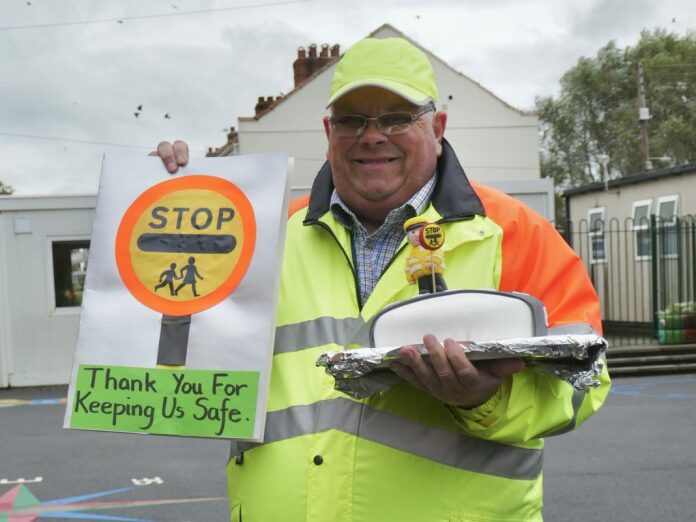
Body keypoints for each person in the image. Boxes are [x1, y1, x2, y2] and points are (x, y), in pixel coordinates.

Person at [154, 37, 610, 522]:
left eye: (397, 118)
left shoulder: (515, 234)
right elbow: (177, 364)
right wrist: (162, 210)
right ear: (329, 131)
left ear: (437, 129)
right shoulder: (262, 237)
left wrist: (488, 398)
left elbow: (586, 382)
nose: (373, 136)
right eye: (352, 120)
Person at [403, 215, 447, 293]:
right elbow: (408, 266)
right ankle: (424, 292)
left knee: (436, 280)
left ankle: (440, 288)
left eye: (420, 231)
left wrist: (434, 262)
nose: (416, 234)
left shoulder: (431, 245)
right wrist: (410, 278)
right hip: (420, 275)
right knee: (423, 285)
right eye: (413, 232)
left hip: (433, 270)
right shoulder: (411, 253)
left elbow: (437, 253)